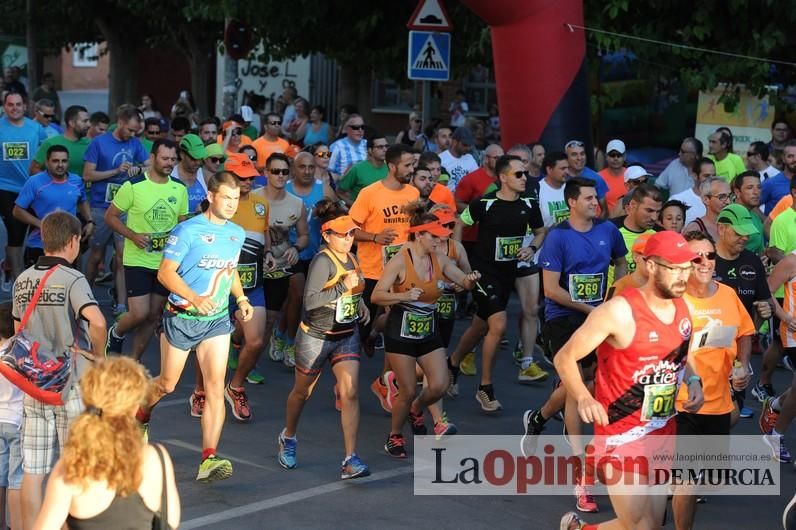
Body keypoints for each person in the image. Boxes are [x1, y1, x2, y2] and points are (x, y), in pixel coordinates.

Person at [557, 230, 704, 530]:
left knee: (648, 523)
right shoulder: (619, 311)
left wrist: (696, 380)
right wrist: (584, 397)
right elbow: (564, 357)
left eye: (686, 268)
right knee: (640, 525)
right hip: (621, 435)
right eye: (673, 268)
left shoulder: (683, 309)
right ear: (650, 266)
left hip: (662, 429)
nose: (682, 276)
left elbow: (678, 360)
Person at [523, 176, 627, 512]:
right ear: (570, 202)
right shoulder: (558, 238)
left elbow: (621, 263)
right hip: (563, 316)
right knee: (577, 384)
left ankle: (538, 418)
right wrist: (593, 310)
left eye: (595, 197)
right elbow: (551, 291)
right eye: (587, 198)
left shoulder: (608, 231)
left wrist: (614, 297)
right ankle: (581, 477)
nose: (594, 203)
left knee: (586, 384)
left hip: (598, 313)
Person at [139, 171, 252, 483]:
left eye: (236, 198)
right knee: (167, 384)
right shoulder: (186, 231)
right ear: (211, 196)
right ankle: (140, 416)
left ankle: (209, 457)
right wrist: (193, 297)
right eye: (226, 198)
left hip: (215, 321)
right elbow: (165, 274)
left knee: (216, 387)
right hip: (181, 317)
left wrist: (241, 298)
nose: (232, 204)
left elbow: (230, 271)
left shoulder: (236, 234)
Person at [13, 211, 107, 529]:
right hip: (69, 382)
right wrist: (99, 355)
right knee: (75, 466)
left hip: (34, 384)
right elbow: (97, 320)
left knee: (33, 471)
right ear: (73, 241)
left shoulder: (23, 279)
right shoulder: (72, 279)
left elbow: (18, 333)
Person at [372, 202, 481, 457]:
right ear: (419, 235)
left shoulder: (440, 259)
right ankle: (395, 436)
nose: (439, 241)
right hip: (400, 329)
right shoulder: (400, 260)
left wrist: (470, 280)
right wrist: (404, 296)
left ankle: (417, 410)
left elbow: (462, 280)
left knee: (440, 385)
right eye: (434, 237)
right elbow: (377, 295)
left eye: (442, 237)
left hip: (427, 327)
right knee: (408, 389)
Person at [277, 207, 372, 478]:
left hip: (345, 335)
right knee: (301, 393)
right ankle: (289, 436)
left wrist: (360, 303)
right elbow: (311, 302)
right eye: (342, 235)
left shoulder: (352, 258)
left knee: (350, 392)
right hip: (316, 336)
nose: (348, 239)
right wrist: (342, 287)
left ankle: (350, 459)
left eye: (351, 233)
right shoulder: (322, 261)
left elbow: (353, 291)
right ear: (327, 236)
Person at [32, 357, 180, 530]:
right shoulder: (156, 458)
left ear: (88, 399)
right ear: (134, 407)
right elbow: (171, 522)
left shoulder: (72, 468)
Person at [447, 155, 544, 410]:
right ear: (503, 177)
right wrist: (459, 259)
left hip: (506, 274)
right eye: (519, 174)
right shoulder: (485, 203)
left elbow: (540, 231)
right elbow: (460, 222)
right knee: (499, 324)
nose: (525, 178)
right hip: (482, 273)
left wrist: (532, 248)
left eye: (526, 173)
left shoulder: (529, 204)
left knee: (480, 327)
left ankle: (453, 364)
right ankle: (485, 388)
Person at [671, 230, 754, 529]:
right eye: (696, 257)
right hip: (682, 405)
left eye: (710, 255)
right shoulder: (675, 301)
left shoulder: (728, 295)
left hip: (719, 403)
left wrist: (742, 366)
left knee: (713, 478)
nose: (705, 262)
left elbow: (744, 332)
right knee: (687, 482)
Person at [195, 152, 273, 422]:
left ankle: (235, 386)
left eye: (251, 176)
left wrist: (270, 253)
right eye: (241, 178)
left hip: (251, 285)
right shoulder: (216, 208)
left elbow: (264, 238)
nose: (248, 181)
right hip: (217, 286)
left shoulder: (262, 205)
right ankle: (201, 389)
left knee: (255, 341)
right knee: (207, 345)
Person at [348, 144, 419, 409]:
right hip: (372, 271)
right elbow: (350, 230)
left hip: (402, 272)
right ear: (392, 166)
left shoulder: (413, 193)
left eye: (413, 164)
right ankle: (344, 385)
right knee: (359, 330)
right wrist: (376, 237)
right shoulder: (370, 194)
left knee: (396, 327)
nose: (412, 169)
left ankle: (384, 381)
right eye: (408, 165)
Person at [104, 139, 189, 360]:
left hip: (166, 263)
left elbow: (183, 225)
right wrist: (132, 235)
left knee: (152, 315)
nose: (169, 163)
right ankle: (117, 331)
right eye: (165, 158)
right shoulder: (133, 186)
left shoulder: (179, 188)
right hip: (138, 260)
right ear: (152, 158)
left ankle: (133, 361)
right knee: (139, 313)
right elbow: (110, 217)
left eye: (173, 159)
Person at [83, 105, 150, 318]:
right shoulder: (99, 143)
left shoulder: (135, 144)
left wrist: (138, 169)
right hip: (101, 207)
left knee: (122, 256)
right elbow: (87, 175)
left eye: (135, 131)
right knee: (95, 255)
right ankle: (84, 298)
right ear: (120, 122)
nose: (132, 134)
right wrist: (115, 171)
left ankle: (121, 306)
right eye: (130, 130)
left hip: (124, 208)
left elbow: (150, 165)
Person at [255, 153, 308, 369]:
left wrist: (296, 248)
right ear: (266, 172)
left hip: (286, 256)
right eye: (275, 171)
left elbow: (304, 235)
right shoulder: (254, 198)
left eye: (284, 172)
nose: (280, 175)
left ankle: (289, 341)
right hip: (259, 259)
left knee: (298, 291)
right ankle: (243, 346)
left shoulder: (297, 203)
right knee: (265, 314)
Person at [13, 144, 92, 266]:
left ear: (68, 162)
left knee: (66, 283)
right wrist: (42, 225)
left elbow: (82, 201)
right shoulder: (34, 182)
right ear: (47, 162)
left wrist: (90, 221)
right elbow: (17, 211)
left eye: (64, 161)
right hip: (40, 245)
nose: (60, 165)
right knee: (40, 284)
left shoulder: (76, 181)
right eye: (55, 161)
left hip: (68, 246)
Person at [0, 92, 47, 281]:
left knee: (30, 233)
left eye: (18, 104)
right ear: (4, 106)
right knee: (14, 229)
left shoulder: (36, 129)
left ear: (25, 106)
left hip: (31, 187)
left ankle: (10, 264)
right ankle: (19, 281)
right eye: (10, 105)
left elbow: (45, 155)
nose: (14, 108)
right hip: (5, 187)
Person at [0, 302, 21, 530]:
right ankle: (16, 524)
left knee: (0, 476)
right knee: (17, 479)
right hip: (18, 421)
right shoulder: (19, 356)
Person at [29, 105, 90, 177]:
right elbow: (34, 169)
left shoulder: (91, 144)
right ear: (72, 123)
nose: (89, 125)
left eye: (89, 121)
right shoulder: (51, 143)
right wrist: (53, 184)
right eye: (85, 121)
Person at [336, 131, 389, 206]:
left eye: (387, 146)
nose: (385, 149)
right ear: (370, 150)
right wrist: (355, 207)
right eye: (380, 147)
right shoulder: (357, 169)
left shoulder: (391, 168)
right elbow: (339, 192)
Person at [563, 140, 609, 216]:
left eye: (582, 154)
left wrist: (596, 228)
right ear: (566, 157)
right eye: (574, 154)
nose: (579, 158)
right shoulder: (560, 176)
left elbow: (604, 211)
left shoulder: (596, 178)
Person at [670, 158, 716, 226]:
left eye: (714, 176)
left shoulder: (720, 200)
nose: (711, 179)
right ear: (695, 176)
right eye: (707, 176)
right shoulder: (678, 199)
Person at [683, 176, 731, 240]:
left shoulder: (736, 225)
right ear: (706, 200)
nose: (728, 201)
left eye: (730, 196)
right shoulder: (695, 229)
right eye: (722, 197)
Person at [172, 134, 208, 215]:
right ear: (182, 155)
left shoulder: (206, 176)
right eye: (193, 159)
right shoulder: (169, 176)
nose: (198, 163)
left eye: (200, 158)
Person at [440, 127, 478, 192]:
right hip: (447, 199)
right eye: (465, 145)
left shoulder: (470, 158)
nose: (468, 148)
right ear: (455, 142)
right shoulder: (441, 159)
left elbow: (477, 180)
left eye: (469, 145)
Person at [598, 139, 627, 212]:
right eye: (612, 155)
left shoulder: (632, 175)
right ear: (606, 157)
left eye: (619, 155)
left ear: (624, 157)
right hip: (604, 221)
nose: (615, 158)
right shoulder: (598, 177)